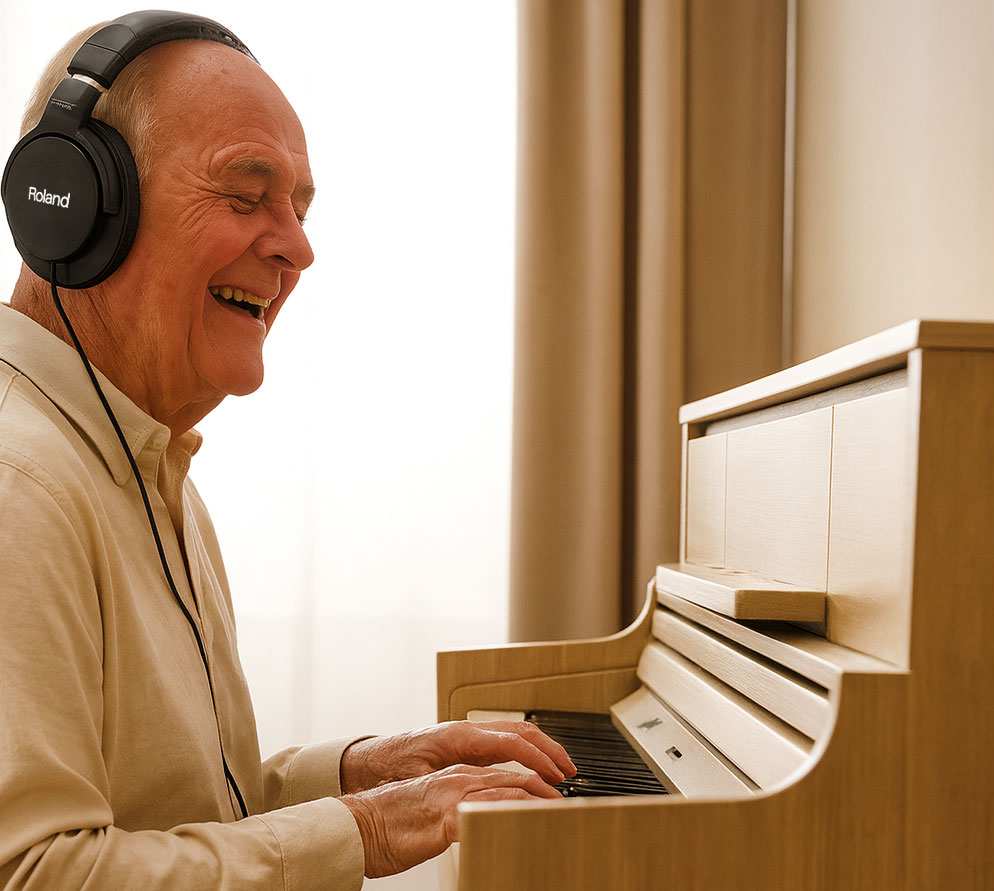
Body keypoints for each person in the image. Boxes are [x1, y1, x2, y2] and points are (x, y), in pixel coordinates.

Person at [0, 14, 575, 889]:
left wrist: (370, 771)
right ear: (75, 204)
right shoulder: (21, 485)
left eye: (299, 209)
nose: (298, 247)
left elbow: (190, 811)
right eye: (245, 194)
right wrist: (369, 831)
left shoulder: (151, 471)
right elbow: (36, 873)